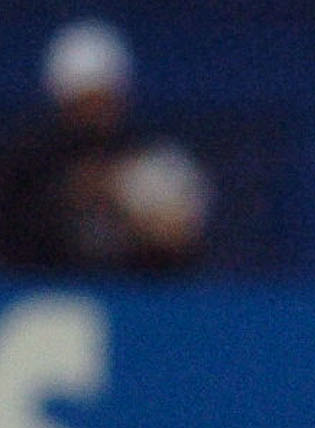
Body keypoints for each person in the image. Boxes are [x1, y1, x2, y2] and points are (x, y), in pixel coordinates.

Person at [0, 19, 212, 273]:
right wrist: (65, 197)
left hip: (135, 297)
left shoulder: (151, 157)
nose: (96, 111)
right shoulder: (26, 159)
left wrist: (130, 206)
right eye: (85, 100)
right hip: (45, 292)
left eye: (104, 98)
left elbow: (182, 240)